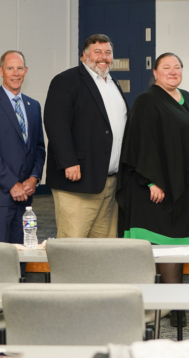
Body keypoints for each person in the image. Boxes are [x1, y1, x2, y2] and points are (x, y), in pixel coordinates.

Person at [116, 52, 189, 285]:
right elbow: (140, 144)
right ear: (155, 73)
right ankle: (157, 305)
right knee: (161, 247)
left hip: (186, 188)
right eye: (166, 68)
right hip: (157, 189)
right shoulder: (146, 101)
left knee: (179, 248)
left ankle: (173, 305)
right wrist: (152, 182)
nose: (173, 72)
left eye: (177, 67)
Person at [44, 34, 128, 238]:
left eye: (108, 52)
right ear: (84, 56)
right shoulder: (66, 81)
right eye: (97, 52)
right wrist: (68, 162)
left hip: (109, 182)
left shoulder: (113, 84)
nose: (103, 57)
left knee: (103, 246)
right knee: (73, 243)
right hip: (78, 180)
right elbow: (56, 124)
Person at [0, 51, 45, 256]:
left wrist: (33, 178)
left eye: (20, 68)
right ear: (0, 71)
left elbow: (39, 148)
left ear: (26, 71)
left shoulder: (33, 106)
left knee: (24, 253)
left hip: (26, 197)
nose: (16, 73)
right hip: (0, 196)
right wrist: (13, 184)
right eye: (10, 68)